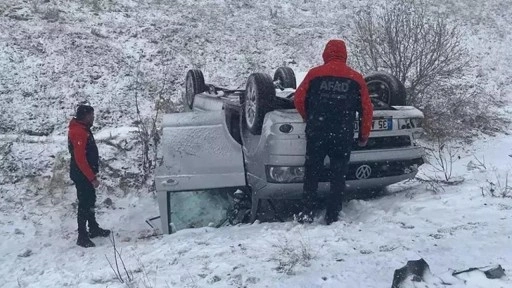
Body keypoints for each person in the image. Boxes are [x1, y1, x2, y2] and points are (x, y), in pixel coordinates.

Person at [294, 39, 373, 224]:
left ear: (325, 54)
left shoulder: (314, 74)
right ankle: (332, 215)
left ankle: (307, 212)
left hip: (317, 132)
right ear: (344, 55)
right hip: (342, 134)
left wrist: (308, 116)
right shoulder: (356, 77)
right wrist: (364, 135)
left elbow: (298, 98)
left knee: (312, 173)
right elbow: (367, 109)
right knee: (338, 176)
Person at [68, 104, 111, 247]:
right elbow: (80, 159)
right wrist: (91, 177)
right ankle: (82, 236)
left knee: (90, 200)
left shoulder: (83, 129)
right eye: (91, 116)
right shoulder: (79, 132)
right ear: (85, 117)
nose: (93, 118)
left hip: (85, 173)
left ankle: (93, 228)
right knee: (84, 203)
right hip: (82, 174)